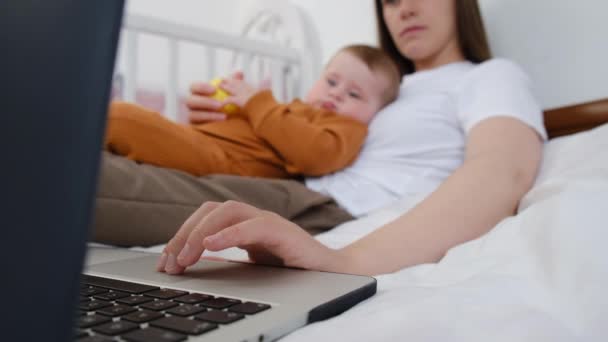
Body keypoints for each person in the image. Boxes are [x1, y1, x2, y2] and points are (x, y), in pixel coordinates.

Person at [155, 0, 547, 276]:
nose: (403, 9)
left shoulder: (488, 75)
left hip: (322, 206)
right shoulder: (383, 84)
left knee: (110, 176)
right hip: (284, 179)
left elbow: (502, 170)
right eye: (389, 1)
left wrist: (346, 262)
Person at [105, 45, 400, 178]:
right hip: (202, 140)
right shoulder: (291, 108)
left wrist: (257, 102)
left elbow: (316, 154)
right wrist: (224, 107)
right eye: (331, 81)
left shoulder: (347, 129)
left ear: (377, 112)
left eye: (354, 94)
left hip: (222, 159)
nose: (336, 93)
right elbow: (261, 127)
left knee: (120, 117)